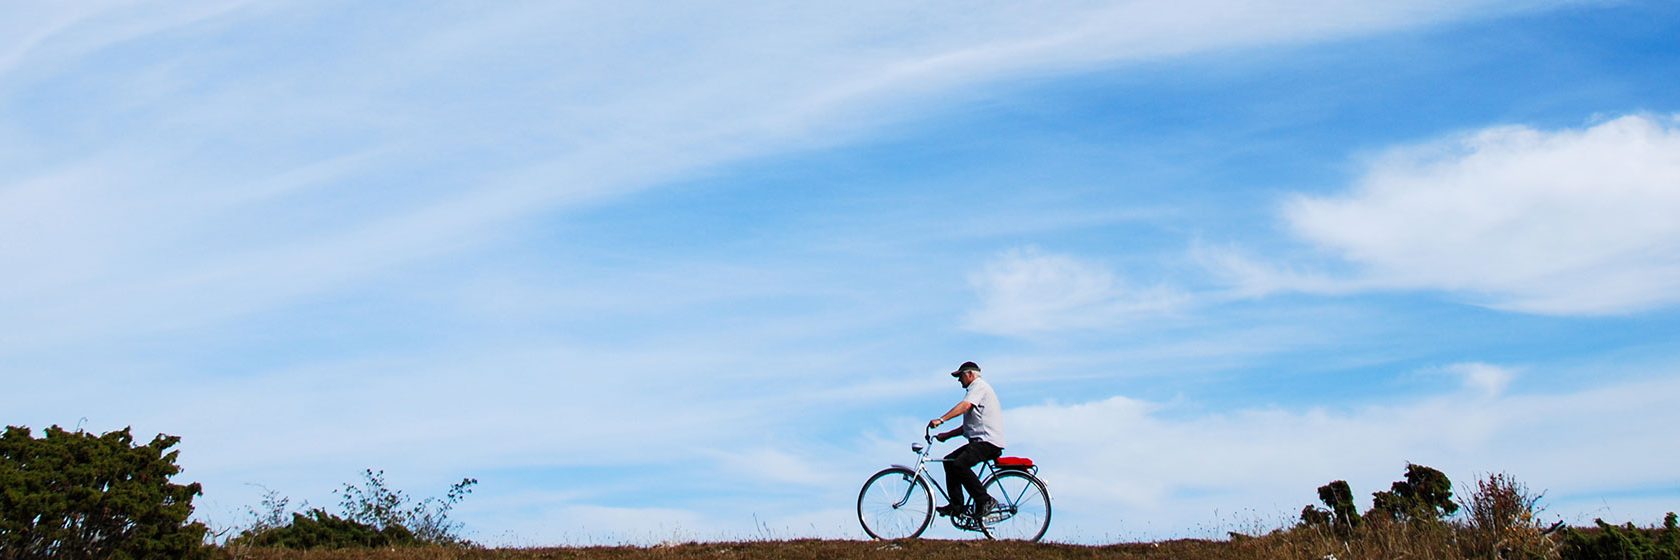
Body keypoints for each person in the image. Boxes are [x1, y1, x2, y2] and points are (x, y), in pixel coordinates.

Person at [927, 361, 1006, 518]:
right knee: (949, 461)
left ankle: (985, 500)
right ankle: (957, 507)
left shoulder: (979, 387)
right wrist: (947, 435)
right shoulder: (976, 390)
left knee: (959, 464)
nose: (958, 380)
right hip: (981, 442)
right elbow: (968, 427)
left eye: (960, 376)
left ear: (970, 374)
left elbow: (965, 406)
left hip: (988, 442)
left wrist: (941, 420)